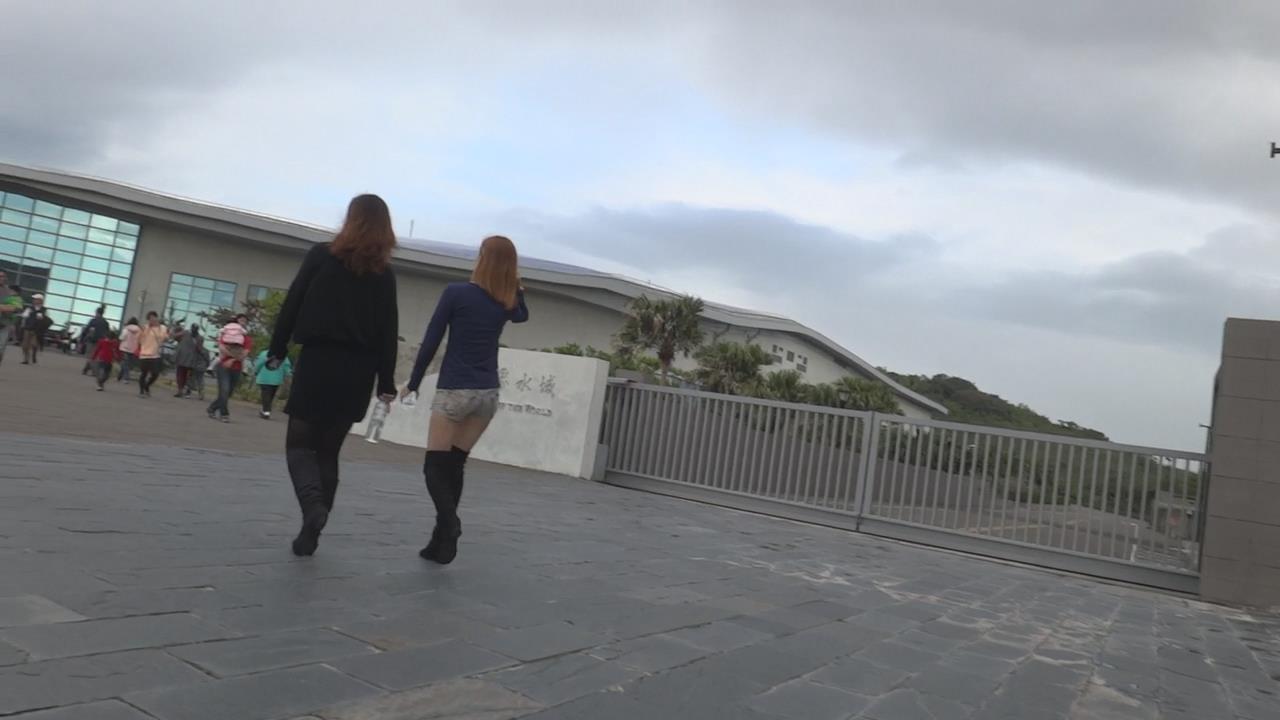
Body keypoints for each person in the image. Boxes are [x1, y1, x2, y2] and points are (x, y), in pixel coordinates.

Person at [268, 194, 399, 557]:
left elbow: (293, 302)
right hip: (358, 372)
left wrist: (277, 349)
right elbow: (389, 331)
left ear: (350, 219)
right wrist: (386, 382)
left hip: (319, 362)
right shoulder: (385, 275)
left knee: (298, 445)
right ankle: (312, 531)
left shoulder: (321, 256)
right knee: (328, 452)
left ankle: (313, 508)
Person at [403, 234, 529, 565]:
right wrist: (517, 287)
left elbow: (432, 340)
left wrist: (414, 382)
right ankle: (440, 543)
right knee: (455, 465)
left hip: (455, 391)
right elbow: (522, 316)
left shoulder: (456, 293)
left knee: (434, 466)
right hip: (487, 394)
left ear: (482, 259)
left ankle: (450, 524)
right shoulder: (505, 302)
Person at [207, 314, 253, 422]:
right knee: (224, 390)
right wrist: (233, 357)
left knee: (229, 393)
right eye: (240, 320)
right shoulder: (225, 335)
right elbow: (222, 348)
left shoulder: (247, 339)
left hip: (236, 368)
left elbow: (244, 354)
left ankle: (212, 408)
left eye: (244, 321)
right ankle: (224, 414)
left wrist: (232, 359)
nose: (242, 323)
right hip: (223, 367)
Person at [253, 348, 292, 419]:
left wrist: (256, 371)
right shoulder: (283, 356)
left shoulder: (265, 353)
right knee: (270, 395)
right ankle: (265, 410)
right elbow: (286, 366)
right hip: (276, 379)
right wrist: (288, 374)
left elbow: (259, 364)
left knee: (265, 395)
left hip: (264, 377)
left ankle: (266, 411)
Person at [136, 311, 168, 396]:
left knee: (155, 374)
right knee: (144, 373)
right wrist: (142, 330)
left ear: (156, 317)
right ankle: (141, 391)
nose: (152, 320)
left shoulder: (162, 328)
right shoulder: (145, 328)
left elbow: (163, 338)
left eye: (153, 317)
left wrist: (156, 330)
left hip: (155, 354)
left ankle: (147, 385)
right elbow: (139, 340)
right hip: (144, 354)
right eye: (150, 318)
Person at [20, 293, 53, 365]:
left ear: (40, 300)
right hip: (28, 328)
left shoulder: (44, 310)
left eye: (36, 299)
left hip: (37, 330)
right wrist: (23, 325)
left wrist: (42, 320)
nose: (34, 300)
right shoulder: (29, 308)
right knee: (25, 345)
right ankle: (26, 359)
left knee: (34, 344)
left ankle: (34, 354)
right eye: (34, 299)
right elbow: (24, 317)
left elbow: (47, 320)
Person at [172, 324, 205, 397]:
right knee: (183, 376)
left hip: (188, 360)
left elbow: (174, 336)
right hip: (187, 359)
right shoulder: (188, 334)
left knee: (185, 376)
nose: (193, 330)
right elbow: (200, 349)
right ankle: (181, 390)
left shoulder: (188, 334)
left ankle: (183, 390)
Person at [0, 273, 22, 367]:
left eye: (2, 276)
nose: (1, 278)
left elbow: (17, 307)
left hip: (4, 324)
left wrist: (4, 307)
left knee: (0, 349)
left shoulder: (9, 292)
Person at [81, 307, 110, 375]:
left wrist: (82, 338)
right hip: (100, 342)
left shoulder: (93, 321)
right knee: (95, 356)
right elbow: (107, 333)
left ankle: (93, 371)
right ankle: (86, 369)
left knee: (91, 356)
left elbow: (86, 329)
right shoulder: (105, 322)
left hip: (91, 340)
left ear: (97, 312)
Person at [117, 317, 141, 382]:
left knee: (125, 363)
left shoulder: (126, 329)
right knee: (127, 363)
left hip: (125, 348)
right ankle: (119, 377)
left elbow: (122, 337)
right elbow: (140, 339)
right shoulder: (139, 330)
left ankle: (126, 378)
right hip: (133, 349)